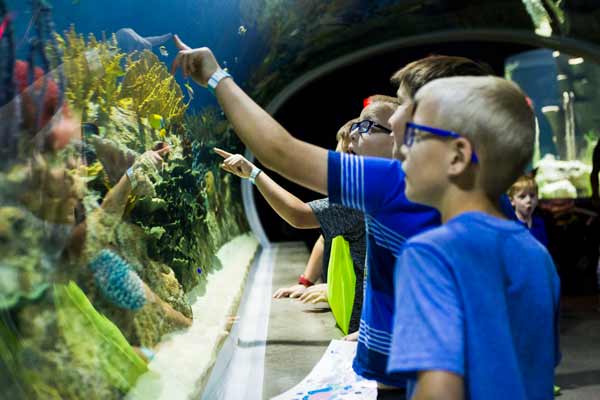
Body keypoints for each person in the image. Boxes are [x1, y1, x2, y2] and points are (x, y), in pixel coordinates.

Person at [170, 37, 494, 396]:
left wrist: (216, 77)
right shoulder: (492, 208)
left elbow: (279, 151)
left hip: (405, 384)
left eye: (404, 105)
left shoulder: (392, 183)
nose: (396, 113)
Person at [387, 76, 560, 400]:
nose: (404, 148)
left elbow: (439, 392)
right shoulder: (538, 256)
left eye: (416, 134)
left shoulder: (429, 255)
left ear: (457, 156)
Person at [216, 98, 397, 334]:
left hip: (372, 338)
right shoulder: (391, 192)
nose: (354, 135)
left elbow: (297, 213)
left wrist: (254, 174)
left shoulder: (365, 198)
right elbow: (324, 238)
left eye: (367, 127)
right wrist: (310, 283)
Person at [508, 174, 549, 247]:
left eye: (532, 196)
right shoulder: (511, 225)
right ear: (512, 201)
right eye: (522, 197)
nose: (529, 200)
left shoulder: (539, 223)